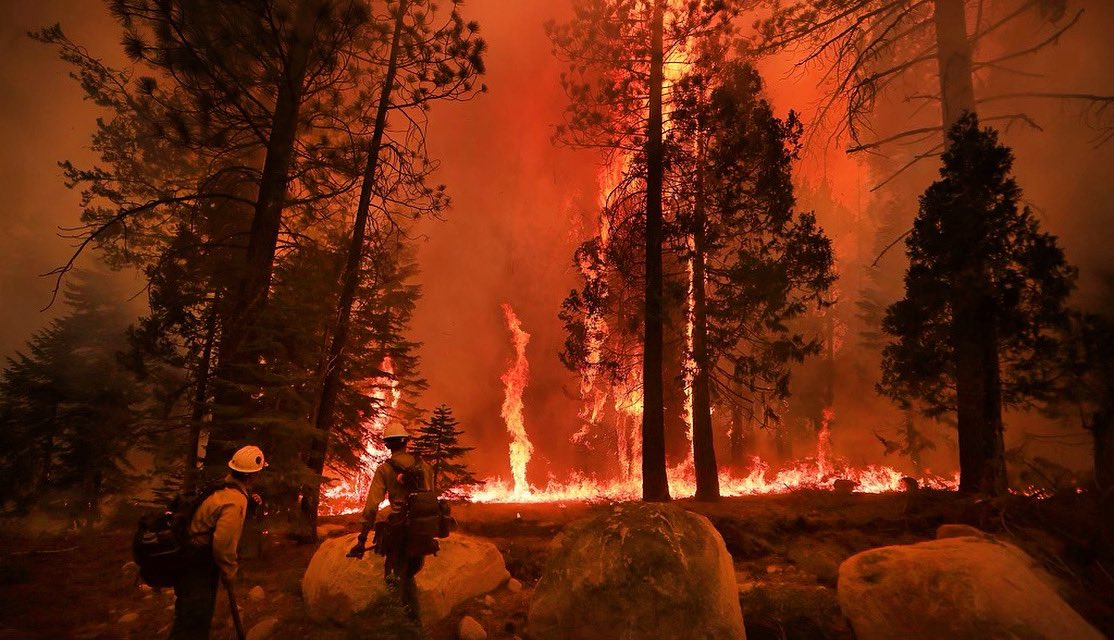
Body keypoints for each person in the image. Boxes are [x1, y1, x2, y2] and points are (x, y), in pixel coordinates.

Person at [169, 445, 266, 639]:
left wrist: (250, 504)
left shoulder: (223, 487)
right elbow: (223, 544)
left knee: (185, 619)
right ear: (251, 476)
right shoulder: (234, 499)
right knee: (195, 625)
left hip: (187, 557)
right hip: (198, 565)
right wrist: (230, 571)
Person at [348, 423, 435, 619]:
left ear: (387, 445)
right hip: (422, 532)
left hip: (398, 532)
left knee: (394, 579)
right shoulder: (425, 467)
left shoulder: (384, 470)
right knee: (409, 576)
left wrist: (362, 539)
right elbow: (431, 498)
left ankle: (400, 626)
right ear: (407, 442)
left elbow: (371, 507)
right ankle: (412, 624)